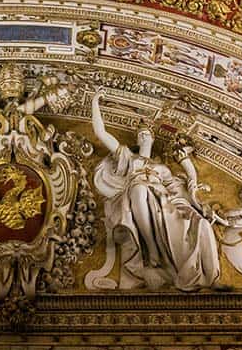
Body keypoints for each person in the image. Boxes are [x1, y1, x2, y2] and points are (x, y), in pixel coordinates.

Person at [91, 88, 221, 290]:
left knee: (198, 223)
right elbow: (100, 133)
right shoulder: (128, 158)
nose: (143, 137)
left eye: (146, 135)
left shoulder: (162, 169)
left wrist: (195, 203)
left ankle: (195, 270)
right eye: (140, 135)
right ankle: (151, 247)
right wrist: (94, 102)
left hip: (163, 203)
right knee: (138, 189)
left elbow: (178, 192)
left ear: (152, 140)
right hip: (137, 195)